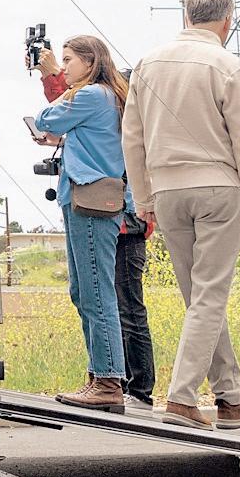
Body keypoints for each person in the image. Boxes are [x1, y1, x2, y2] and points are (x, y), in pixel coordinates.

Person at [120, 0, 240, 431]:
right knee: (209, 297)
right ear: (228, 20)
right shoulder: (228, 65)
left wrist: (143, 197)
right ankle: (182, 398)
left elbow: (132, 138)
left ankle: (230, 397)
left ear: (186, 16)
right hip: (217, 189)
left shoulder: (148, 63)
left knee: (199, 298)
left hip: (167, 191)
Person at [39, 48, 155, 411]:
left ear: (90, 63)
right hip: (88, 198)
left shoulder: (91, 95)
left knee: (96, 292)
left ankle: (107, 381)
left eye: (69, 60)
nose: (64, 66)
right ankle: (101, 375)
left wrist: (57, 82)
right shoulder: (107, 97)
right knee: (84, 291)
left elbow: (45, 119)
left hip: (90, 200)